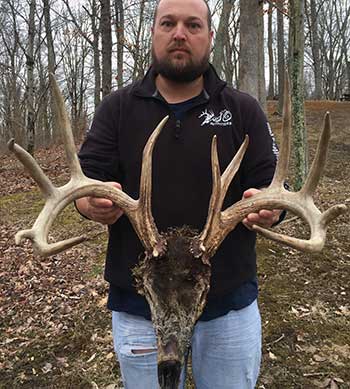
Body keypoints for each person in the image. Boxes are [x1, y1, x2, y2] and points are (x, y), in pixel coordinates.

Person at [76, 0, 282, 387]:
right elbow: (86, 184)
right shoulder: (116, 109)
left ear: (209, 37)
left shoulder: (241, 109)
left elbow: (272, 184)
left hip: (226, 303)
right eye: (168, 23)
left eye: (193, 25)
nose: (180, 34)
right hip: (140, 306)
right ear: (153, 33)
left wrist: (270, 206)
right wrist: (91, 204)